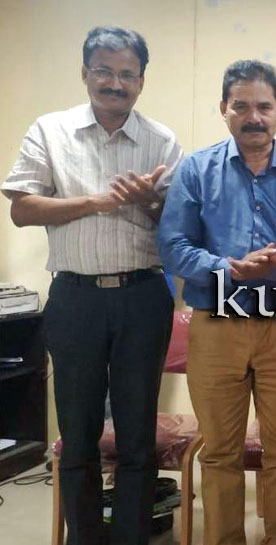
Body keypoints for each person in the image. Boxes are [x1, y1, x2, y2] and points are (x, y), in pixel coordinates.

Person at [2, 26, 179, 545]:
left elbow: (179, 226)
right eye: (104, 70)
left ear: (142, 81)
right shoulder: (50, 131)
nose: (115, 83)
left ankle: (130, 537)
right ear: (85, 72)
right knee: (77, 434)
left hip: (142, 296)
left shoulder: (162, 141)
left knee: (136, 436)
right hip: (75, 298)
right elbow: (21, 209)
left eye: (127, 74)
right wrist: (96, 202)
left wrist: (149, 201)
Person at [157, 60, 276, 545]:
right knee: (220, 452)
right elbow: (173, 246)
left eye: (263, 106)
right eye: (241, 106)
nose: (253, 117)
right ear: (224, 109)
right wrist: (229, 268)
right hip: (217, 326)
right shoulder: (196, 169)